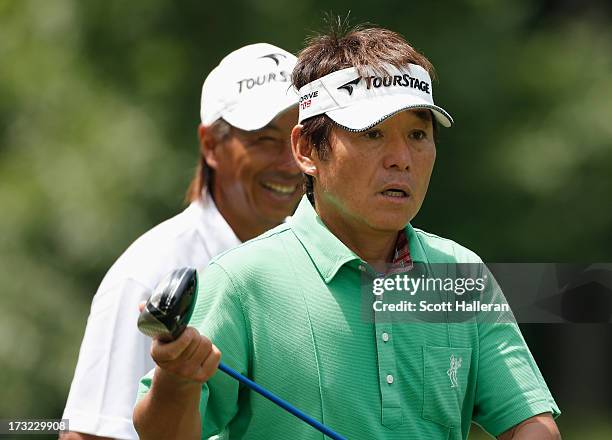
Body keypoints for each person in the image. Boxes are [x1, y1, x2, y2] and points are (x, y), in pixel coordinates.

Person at [133, 26, 561, 440]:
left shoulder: (461, 274)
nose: (401, 158)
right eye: (372, 133)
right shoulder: (241, 280)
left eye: (417, 134)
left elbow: (528, 422)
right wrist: (177, 380)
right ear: (305, 150)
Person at [61, 43, 302, 440]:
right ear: (210, 145)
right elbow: (87, 435)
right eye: (263, 139)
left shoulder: (323, 261)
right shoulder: (146, 273)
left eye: (299, 138)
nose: (290, 163)